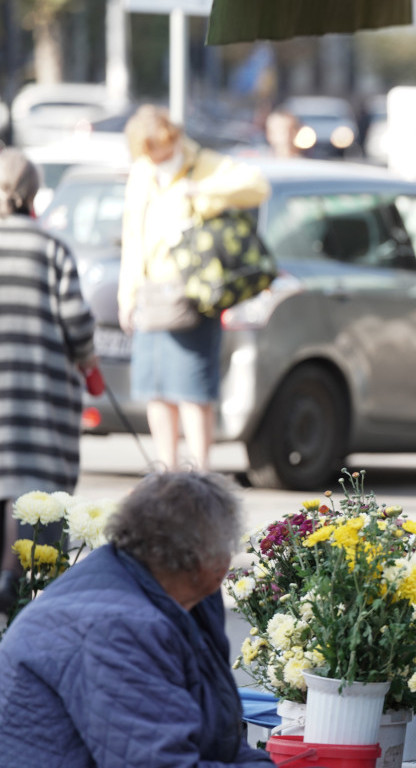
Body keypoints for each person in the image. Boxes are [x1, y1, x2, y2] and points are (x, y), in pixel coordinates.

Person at [0, 471, 274, 767]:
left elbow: (224, 744)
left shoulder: (180, 599)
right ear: (208, 562)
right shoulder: (117, 626)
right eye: (228, 548)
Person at [117, 106, 270, 472]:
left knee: (193, 390)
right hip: (152, 293)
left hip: (192, 295)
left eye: (161, 151)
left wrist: (201, 190)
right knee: (156, 389)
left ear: (173, 140)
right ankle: (166, 469)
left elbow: (257, 187)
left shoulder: (203, 163)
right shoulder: (142, 172)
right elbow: (132, 235)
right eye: (150, 153)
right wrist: (127, 295)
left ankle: (200, 471)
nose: (157, 159)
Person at [0, 148, 97, 616]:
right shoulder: (52, 248)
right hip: (39, 405)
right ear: (33, 193)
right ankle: (15, 585)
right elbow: (77, 325)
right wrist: (88, 359)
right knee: (32, 497)